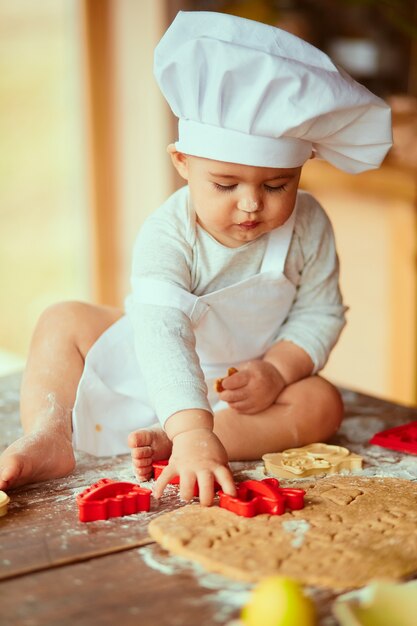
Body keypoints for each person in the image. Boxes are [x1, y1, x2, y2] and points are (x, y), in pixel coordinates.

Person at [0, 11, 392, 505]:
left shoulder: (309, 225)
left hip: (239, 395)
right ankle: (50, 434)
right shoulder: (168, 233)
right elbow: (161, 328)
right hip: (154, 362)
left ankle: (205, 444)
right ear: (183, 163)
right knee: (62, 319)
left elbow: (321, 311)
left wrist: (276, 370)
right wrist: (190, 427)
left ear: (302, 167)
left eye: (277, 185)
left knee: (322, 402)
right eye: (226, 185)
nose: (251, 203)